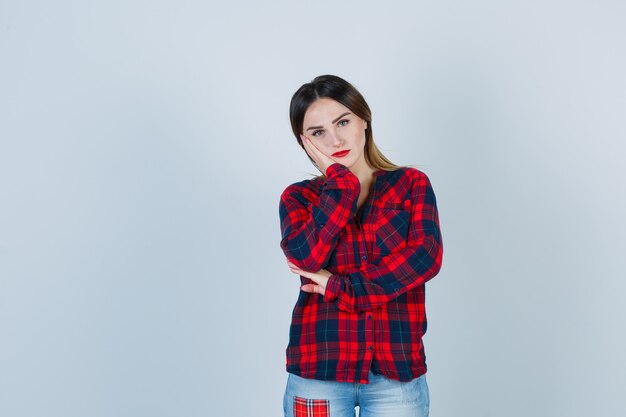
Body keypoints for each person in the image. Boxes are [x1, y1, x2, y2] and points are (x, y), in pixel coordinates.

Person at [279, 74, 443, 417]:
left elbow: (425, 257)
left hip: (396, 375)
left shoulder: (411, 184)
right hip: (318, 372)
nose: (334, 139)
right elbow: (306, 258)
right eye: (318, 132)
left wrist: (341, 287)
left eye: (342, 121)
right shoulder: (299, 198)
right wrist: (342, 184)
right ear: (305, 142)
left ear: (363, 119)